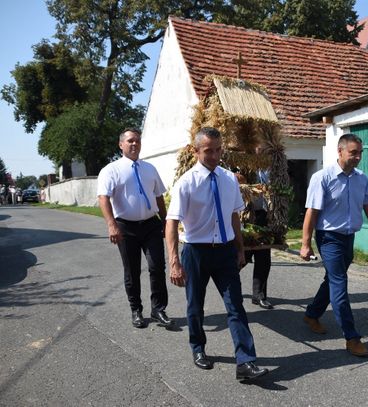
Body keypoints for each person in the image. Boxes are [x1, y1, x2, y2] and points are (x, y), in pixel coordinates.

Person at [166, 127, 268, 381]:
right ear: (196, 151)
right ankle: (198, 348)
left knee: (236, 306)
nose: (214, 155)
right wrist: (174, 262)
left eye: (218, 150)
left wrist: (240, 248)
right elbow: (171, 222)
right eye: (208, 150)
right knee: (195, 306)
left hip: (224, 251)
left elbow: (234, 215)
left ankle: (245, 362)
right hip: (195, 252)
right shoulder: (186, 183)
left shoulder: (228, 179)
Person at [300, 133, 368, 357]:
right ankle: (351, 337)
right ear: (340, 152)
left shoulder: (361, 178)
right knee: (340, 284)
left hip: (349, 238)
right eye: (353, 153)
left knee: (332, 279)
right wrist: (305, 243)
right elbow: (312, 211)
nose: (358, 157)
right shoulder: (322, 177)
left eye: (360, 153)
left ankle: (312, 313)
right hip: (329, 238)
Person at [97, 128, 172, 329]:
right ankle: (136, 310)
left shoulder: (150, 168)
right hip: (125, 227)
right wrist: (111, 225)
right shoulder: (111, 170)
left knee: (157, 266)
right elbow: (103, 198)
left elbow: (159, 197)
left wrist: (166, 221)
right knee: (132, 270)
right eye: (130, 141)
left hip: (150, 225)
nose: (134, 144)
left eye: (137, 141)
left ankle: (158, 309)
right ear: (121, 144)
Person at [245, 168, 273, 309]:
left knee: (264, 259)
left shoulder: (269, 169)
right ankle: (227, 287)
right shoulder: (244, 165)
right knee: (242, 257)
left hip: (265, 216)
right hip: (246, 216)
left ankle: (259, 295)